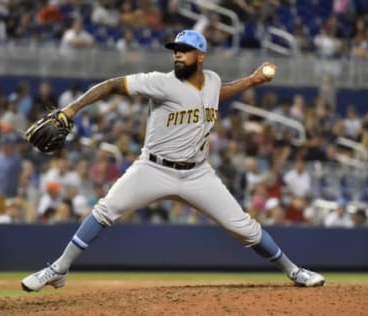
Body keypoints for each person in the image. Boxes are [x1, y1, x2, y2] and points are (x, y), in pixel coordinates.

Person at [21, 29, 324, 291]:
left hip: (197, 174)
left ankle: (293, 270)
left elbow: (218, 93)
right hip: (153, 168)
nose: (178, 55)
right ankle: (59, 269)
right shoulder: (160, 82)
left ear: (201, 55)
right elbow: (113, 84)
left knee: (244, 228)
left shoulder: (214, 81)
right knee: (105, 210)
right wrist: (72, 110)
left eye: (185, 51)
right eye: (175, 51)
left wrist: (253, 81)